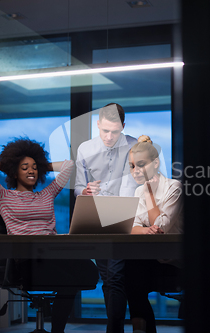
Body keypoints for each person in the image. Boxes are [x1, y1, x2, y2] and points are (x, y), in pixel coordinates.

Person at [0, 137, 99, 333]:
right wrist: (10, 165)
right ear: (14, 172)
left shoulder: (46, 194)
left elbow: (68, 165)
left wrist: (41, 165)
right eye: (24, 167)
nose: (31, 171)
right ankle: (58, 331)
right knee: (69, 282)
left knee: (90, 272)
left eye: (34, 167)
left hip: (54, 254)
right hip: (26, 260)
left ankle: (56, 324)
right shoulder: (2, 196)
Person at [74, 103, 137, 333]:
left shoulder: (134, 145)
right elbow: (78, 187)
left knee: (116, 276)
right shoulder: (85, 149)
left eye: (115, 131)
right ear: (98, 125)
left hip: (124, 215)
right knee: (108, 278)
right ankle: (116, 327)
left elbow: (138, 184)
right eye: (105, 131)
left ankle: (114, 329)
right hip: (97, 218)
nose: (109, 137)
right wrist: (85, 191)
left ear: (123, 126)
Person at [125, 135, 183, 333]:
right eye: (132, 166)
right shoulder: (138, 192)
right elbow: (131, 228)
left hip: (174, 261)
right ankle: (141, 330)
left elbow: (161, 228)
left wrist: (149, 193)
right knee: (131, 269)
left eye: (141, 164)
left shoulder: (174, 188)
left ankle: (141, 329)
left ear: (156, 163)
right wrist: (143, 230)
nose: (136, 171)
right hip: (152, 259)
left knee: (132, 275)